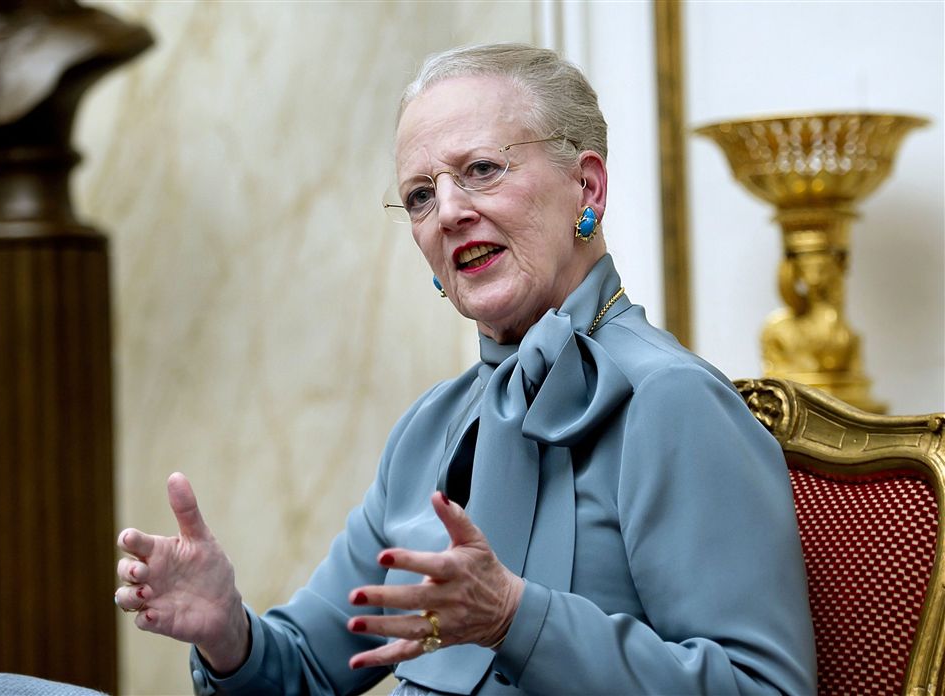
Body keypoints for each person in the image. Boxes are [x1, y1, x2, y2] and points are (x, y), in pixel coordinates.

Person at [115, 43, 817, 695]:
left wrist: (517, 619)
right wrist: (227, 634)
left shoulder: (672, 401)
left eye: (482, 169)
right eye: (420, 195)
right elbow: (304, 667)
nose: (448, 211)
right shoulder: (430, 427)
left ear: (587, 187)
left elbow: (763, 688)